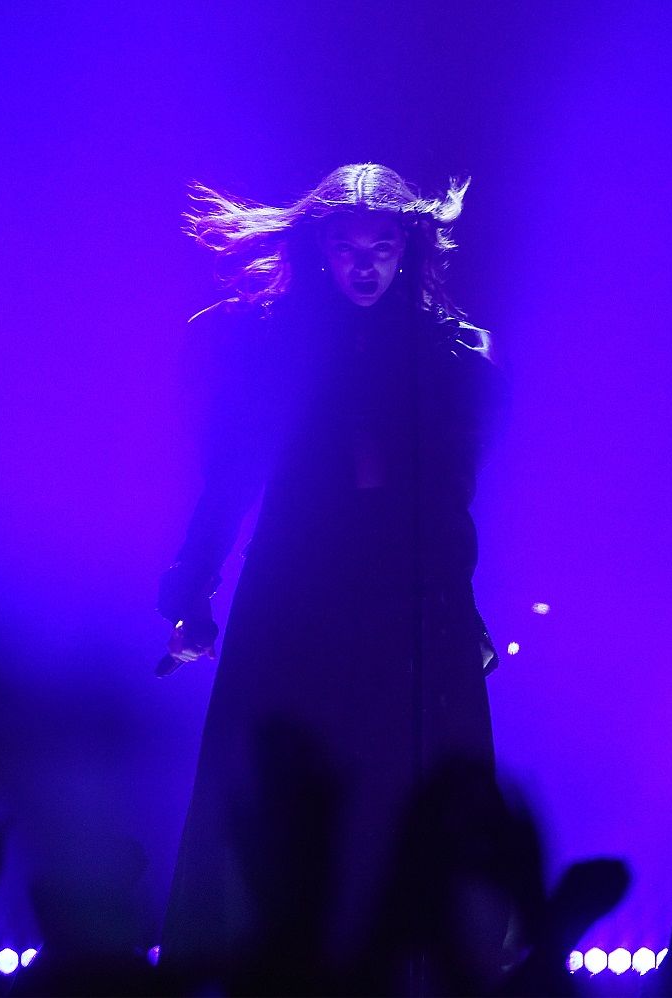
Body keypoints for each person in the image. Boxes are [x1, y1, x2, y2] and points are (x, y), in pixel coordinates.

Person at [156, 163, 508, 977]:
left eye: (382, 246)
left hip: (408, 591)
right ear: (321, 250)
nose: (365, 265)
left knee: (406, 776)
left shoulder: (445, 353)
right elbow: (229, 477)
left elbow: (449, 497)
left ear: (407, 248)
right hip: (299, 582)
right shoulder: (275, 348)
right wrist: (192, 593)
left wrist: (461, 610)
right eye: (349, 247)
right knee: (281, 770)